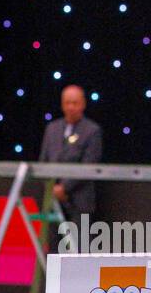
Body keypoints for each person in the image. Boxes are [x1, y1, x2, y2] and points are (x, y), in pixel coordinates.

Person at [38, 84, 103, 242]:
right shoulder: (52, 128)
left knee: (78, 249)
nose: (71, 107)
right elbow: (43, 162)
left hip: (79, 201)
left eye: (75, 103)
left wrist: (64, 187)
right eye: (67, 103)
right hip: (53, 200)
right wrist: (53, 188)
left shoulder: (92, 130)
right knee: (53, 249)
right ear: (62, 104)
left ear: (83, 104)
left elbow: (89, 165)